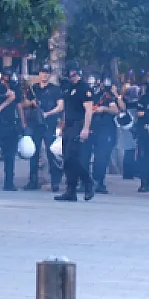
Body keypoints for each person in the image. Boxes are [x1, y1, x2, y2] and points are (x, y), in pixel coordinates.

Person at [55, 65, 95, 202]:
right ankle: (70, 191)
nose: (70, 75)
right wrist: (62, 124)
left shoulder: (84, 88)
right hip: (68, 125)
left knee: (72, 158)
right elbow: (66, 108)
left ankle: (88, 181)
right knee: (66, 160)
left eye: (72, 73)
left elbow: (89, 110)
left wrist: (85, 128)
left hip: (79, 125)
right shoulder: (68, 88)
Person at [0, 67, 20, 191]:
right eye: (5, 76)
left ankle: (9, 182)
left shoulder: (15, 88)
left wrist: (22, 124)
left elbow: (17, 102)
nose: (6, 79)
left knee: (10, 156)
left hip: (11, 125)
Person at [89, 77, 120, 194]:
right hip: (90, 128)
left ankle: (99, 182)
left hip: (105, 130)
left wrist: (103, 109)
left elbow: (116, 110)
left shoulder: (107, 96)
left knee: (101, 157)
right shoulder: (89, 94)